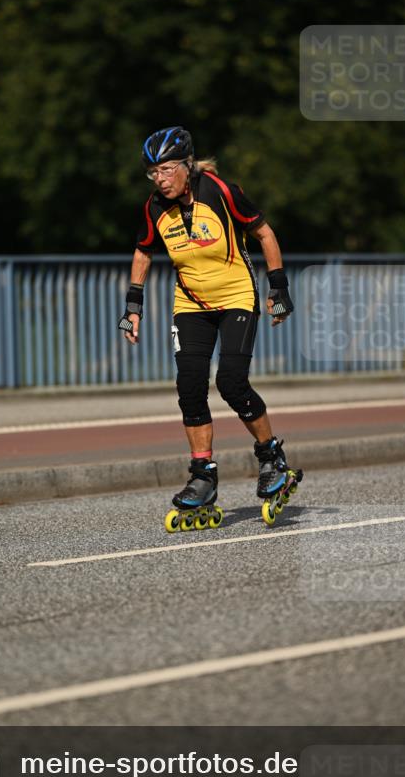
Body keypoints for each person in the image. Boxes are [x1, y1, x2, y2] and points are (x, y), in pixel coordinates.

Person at [119, 126, 298, 522]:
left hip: (236, 296)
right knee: (189, 386)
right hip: (191, 303)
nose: (160, 179)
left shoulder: (220, 191)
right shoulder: (154, 208)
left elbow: (265, 233)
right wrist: (134, 305)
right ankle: (203, 476)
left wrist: (278, 288)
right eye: (153, 172)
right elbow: (143, 252)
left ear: (186, 165)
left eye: (166, 169)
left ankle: (271, 458)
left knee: (231, 381)